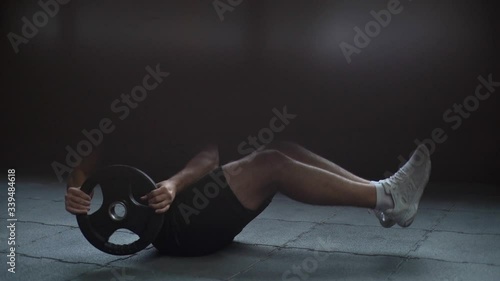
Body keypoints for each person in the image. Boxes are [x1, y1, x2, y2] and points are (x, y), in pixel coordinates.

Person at [65, 141, 431, 256]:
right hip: (174, 231)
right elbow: (83, 169)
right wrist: (76, 192)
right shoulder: (116, 105)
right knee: (271, 164)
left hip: (191, 200)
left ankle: (382, 195)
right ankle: (388, 197)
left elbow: (208, 156)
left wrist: (174, 184)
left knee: (281, 150)